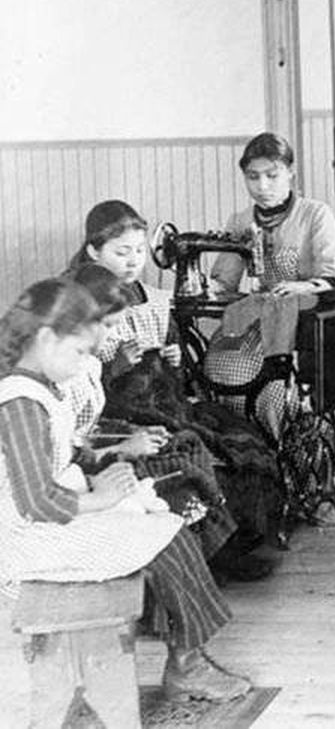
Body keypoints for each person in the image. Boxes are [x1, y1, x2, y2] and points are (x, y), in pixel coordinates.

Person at [0, 278, 249, 701]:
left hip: (49, 520)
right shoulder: (19, 403)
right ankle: (187, 665)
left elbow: (60, 460)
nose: (83, 364)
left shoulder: (41, 390)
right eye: (79, 351)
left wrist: (99, 474)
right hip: (26, 541)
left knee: (161, 520)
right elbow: (36, 499)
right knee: (165, 533)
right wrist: (102, 498)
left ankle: (189, 658)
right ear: (45, 339)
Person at [68, 200, 282, 558]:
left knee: (242, 437)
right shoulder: (78, 301)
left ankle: (239, 542)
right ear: (93, 250)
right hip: (120, 412)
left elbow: (176, 372)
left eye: (139, 251)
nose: (134, 260)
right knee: (193, 444)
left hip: (161, 401)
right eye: (122, 252)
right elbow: (80, 392)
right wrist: (118, 365)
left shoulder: (149, 297)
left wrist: (175, 358)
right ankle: (217, 552)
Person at [203, 132, 335, 435]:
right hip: (260, 316)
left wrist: (304, 286)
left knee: (271, 387)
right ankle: (247, 445)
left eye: (272, 175)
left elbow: (334, 277)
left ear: (290, 173)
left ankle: (284, 449)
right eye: (253, 177)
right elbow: (225, 281)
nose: (262, 186)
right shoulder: (241, 221)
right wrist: (203, 284)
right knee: (219, 365)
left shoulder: (315, 214)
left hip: (304, 323)